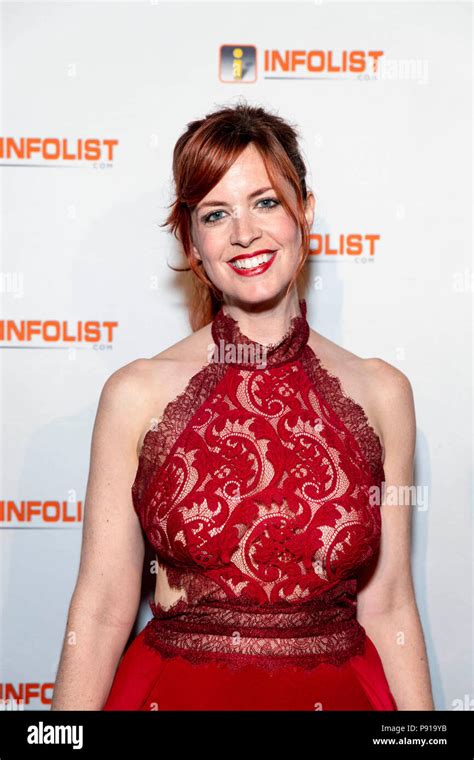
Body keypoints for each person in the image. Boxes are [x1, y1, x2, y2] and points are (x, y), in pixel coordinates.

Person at [51, 101, 435, 711]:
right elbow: (100, 611)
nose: (244, 233)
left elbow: (388, 605)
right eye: (216, 213)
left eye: (266, 202)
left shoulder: (383, 392)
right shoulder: (136, 393)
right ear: (192, 241)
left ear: (305, 211)